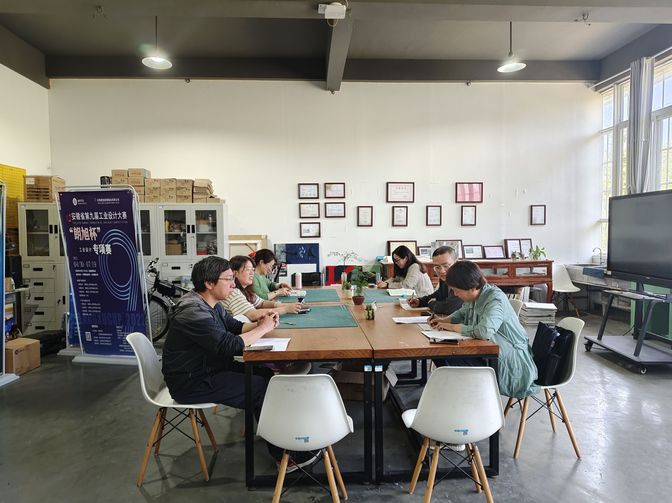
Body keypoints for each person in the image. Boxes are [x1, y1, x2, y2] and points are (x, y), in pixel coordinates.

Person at [161, 256, 319, 471]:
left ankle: (280, 436)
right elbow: (229, 346)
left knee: (265, 375)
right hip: (192, 382)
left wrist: (262, 322)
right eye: (228, 279)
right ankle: (287, 457)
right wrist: (262, 329)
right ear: (209, 283)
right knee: (261, 388)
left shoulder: (211, 304)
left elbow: (235, 327)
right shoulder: (193, 312)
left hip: (210, 368)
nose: (233, 285)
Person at [429, 260, 538, 399]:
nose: (455, 294)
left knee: (448, 358)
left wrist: (451, 327)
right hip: (487, 351)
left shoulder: (494, 299)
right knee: (442, 356)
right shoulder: (476, 296)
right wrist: (442, 321)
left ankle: (472, 399)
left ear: (472, 287)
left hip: (509, 361)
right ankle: (463, 397)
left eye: (457, 291)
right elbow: (462, 313)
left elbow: (484, 331)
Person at [222, 255, 302, 321]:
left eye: (253, 270)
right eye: (248, 270)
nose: (252, 273)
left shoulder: (246, 289)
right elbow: (253, 314)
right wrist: (285, 309)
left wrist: (286, 305)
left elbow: (261, 303)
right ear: (235, 273)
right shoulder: (233, 292)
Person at [408, 246, 463, 315]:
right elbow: (438, 295)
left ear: (456, 262)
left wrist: (431, 303)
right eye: (437, 267)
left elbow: (449, 308)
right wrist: (420, 301)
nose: (442, 271)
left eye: (446, 266)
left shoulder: (463, 279)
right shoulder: (445, 278)